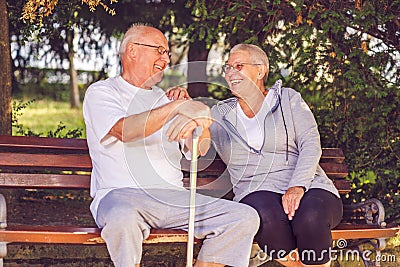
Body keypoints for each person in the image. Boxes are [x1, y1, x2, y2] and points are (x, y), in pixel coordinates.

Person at [82, 24, 260, 267]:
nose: (166, 59)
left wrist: (201, 124)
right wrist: (177, 108)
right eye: (159, 51)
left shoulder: (166, 98)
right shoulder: (103, 92)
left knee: (243, 217)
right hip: (121, 195)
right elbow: (125, 130)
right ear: (132, 51)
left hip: (173, 199)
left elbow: (199, 149)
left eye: (167, 53)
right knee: (121, 219)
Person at [209, 44, 343, 267]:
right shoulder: (220, 114)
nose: (230, 72)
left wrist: (297, 186)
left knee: (311, 217)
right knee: (266, 218)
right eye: (227, 67)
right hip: (255, 190)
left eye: (238, 66)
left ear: (260, 70)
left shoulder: (288, 99)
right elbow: (194, 142)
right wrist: (182, 105)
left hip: (309, 186)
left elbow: (310, 144)